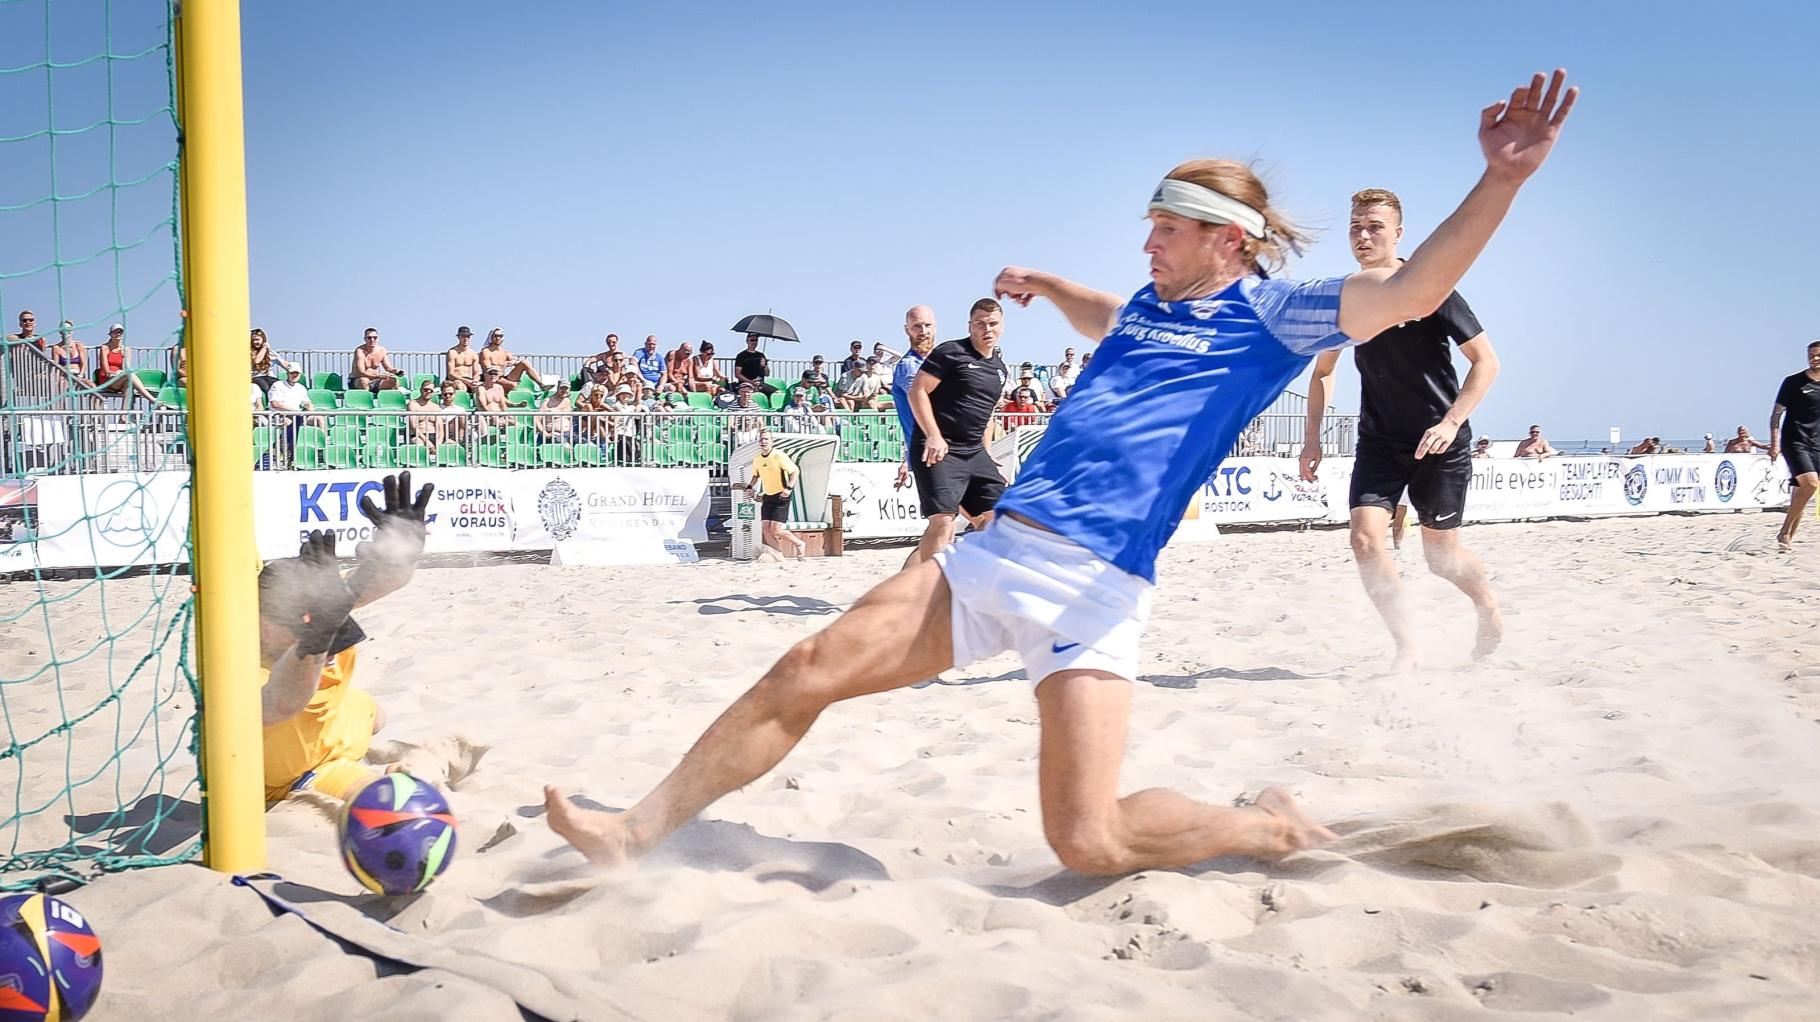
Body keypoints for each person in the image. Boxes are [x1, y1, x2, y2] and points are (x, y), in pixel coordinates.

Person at [543, 70, 1578, 877]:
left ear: (1226, 241)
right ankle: (636, 831)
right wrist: (1045, 283)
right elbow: (1103, 315)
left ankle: (1265, 826)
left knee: (1087, 842)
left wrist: (1501, 176)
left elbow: (1417, 284)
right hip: (995, 558)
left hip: (1097, 590)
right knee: (803, 668)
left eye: (1164, 230)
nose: (1146, 243)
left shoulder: (1268, 314)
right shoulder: (1142, 306)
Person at [1301, 186, 1505, 668]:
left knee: (1442, 560)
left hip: (1440, 441)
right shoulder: (1347, 298)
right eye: (1356, 227)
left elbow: (1487, 363)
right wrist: (1312, 439)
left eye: (1374, 226)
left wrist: (1452, 422)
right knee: (1365, 538)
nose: (1364, 235)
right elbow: (1324, 371)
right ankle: (1407, 647)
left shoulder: (1430, 287)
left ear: (1398, 233)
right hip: (1380, 442)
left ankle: (1487, 604)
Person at [260, 474, 444, 803]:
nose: (306, 624)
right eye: (296, 622)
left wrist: (402, 551)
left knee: (378, 716)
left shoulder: (317, 604)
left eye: (310, 617)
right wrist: (316, 636)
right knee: (394, 798)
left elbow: (372, 583)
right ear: (261, 621)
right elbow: (284, 701)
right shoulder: (236, 655)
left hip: (340, 717)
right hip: (305, 765)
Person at [900, 299, 1011, 567]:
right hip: (939, 448)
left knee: (1001, 519)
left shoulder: (1000, 369)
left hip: (973, 451)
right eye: (980, 323)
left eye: (993, 323)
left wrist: (987, 452)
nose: (987, 329)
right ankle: (930, 588)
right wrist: (933, 435)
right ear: (970, 325)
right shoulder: (951, 352)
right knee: (943, 522)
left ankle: (951, 574)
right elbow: (918, 391)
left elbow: (985, 416)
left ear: (1002, 327)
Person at [1768, 340, 1820, 550]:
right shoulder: (1793, 382)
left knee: (1802, 492)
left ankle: (1787, 535)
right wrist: (1774, 444)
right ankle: (1783, 533)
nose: (1814, 359)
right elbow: (1775, 416)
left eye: (1818, 355)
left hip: (1817, 443)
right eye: (1811, 355)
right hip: (1794, 441)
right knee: (1811, 484)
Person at [891, 305, 939, 491]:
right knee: (943, 517)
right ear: (907, 330)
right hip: (929, 452)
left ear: (935, 327)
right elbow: (927, 403)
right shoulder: (908, 366)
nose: (923, 331)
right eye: (917, 326)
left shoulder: (940, 361)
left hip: (945, 449)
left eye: (927, 325)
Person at [743, 430, 806, 559]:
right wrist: (750, 487)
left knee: (776, 530)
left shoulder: (779, 456)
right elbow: (756, 475)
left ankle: (799, 544)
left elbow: (795, 472)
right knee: (766, 529)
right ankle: (778, 555)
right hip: (768, 495)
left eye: (766, 439)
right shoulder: (757, 458)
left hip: (781, 495)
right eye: (761, 439)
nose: (763, 442)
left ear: (772, 441)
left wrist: (789, 488)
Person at [90, 325, 164, 408]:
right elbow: (106, 370)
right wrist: (117, 373)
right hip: (107, 380)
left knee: (128, 385)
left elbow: (127, 368)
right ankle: (152, 399)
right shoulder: (105, 348)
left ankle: (123, 418)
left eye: (120, 332)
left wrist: (123, 362)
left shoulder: (126, 350)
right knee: (129, 375)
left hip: (119, 379)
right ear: (110, 334)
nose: (118, 334)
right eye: (115, 332)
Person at [479, 327, 549, 389]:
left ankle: (541, 384)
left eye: (500, 336)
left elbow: (517, 361)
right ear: (491, 337)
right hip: (492, 378)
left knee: (525, 362)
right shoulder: (486, 352)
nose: (498, 338)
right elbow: (488, 370)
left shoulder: (505, 352)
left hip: (503, 377)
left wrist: (513, 362)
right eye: (496, 336)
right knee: (513, 385)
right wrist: (504, 366)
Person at [349, 328, 405, 393]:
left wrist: (396, 371)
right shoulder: (360, 351)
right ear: (365, 339)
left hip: (375, 380)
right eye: (369, 338)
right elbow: (361, 372)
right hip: (358, 380)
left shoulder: (382, 350)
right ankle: (366, 400)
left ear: (377, 338)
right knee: (364, 381)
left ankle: (387, 401)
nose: (372, 340)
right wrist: (378, 376)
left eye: (374, 338)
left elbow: (388, 368)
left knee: (393, 380)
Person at [405, 379, 442, 452]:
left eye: (430, 390)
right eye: (426, 389)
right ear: (421, 390)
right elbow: (413, 426)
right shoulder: (413, 404)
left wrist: (438, 443)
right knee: (419, 445)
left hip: (433, 435)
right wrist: (427, 441)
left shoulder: (435, 407)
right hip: (418, 436)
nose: (428, 392)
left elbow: (440, 428)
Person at [445, 326, 481, 394]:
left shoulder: (473, 354)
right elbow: (450, 374)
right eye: (463, 336)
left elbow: (476, 372)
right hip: (456, 380)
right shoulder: (452, 352)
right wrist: (466, 381)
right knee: (460, 386)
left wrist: (475, 380)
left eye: (467, 336)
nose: (465, 339)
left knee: (480, 388)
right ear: (459, 337)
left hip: (470, 380)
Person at [251, 328, 278, 396]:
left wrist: (292, 368)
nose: (255, 342)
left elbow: (282, 362)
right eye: (253, 340)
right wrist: (264, 348)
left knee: (279, 385)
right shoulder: (250, 351)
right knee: (266, 388)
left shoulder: (269, 352)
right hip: (255, 377)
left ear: (263, 339)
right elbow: (257, 361)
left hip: (268, 376)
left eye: (257, 340)